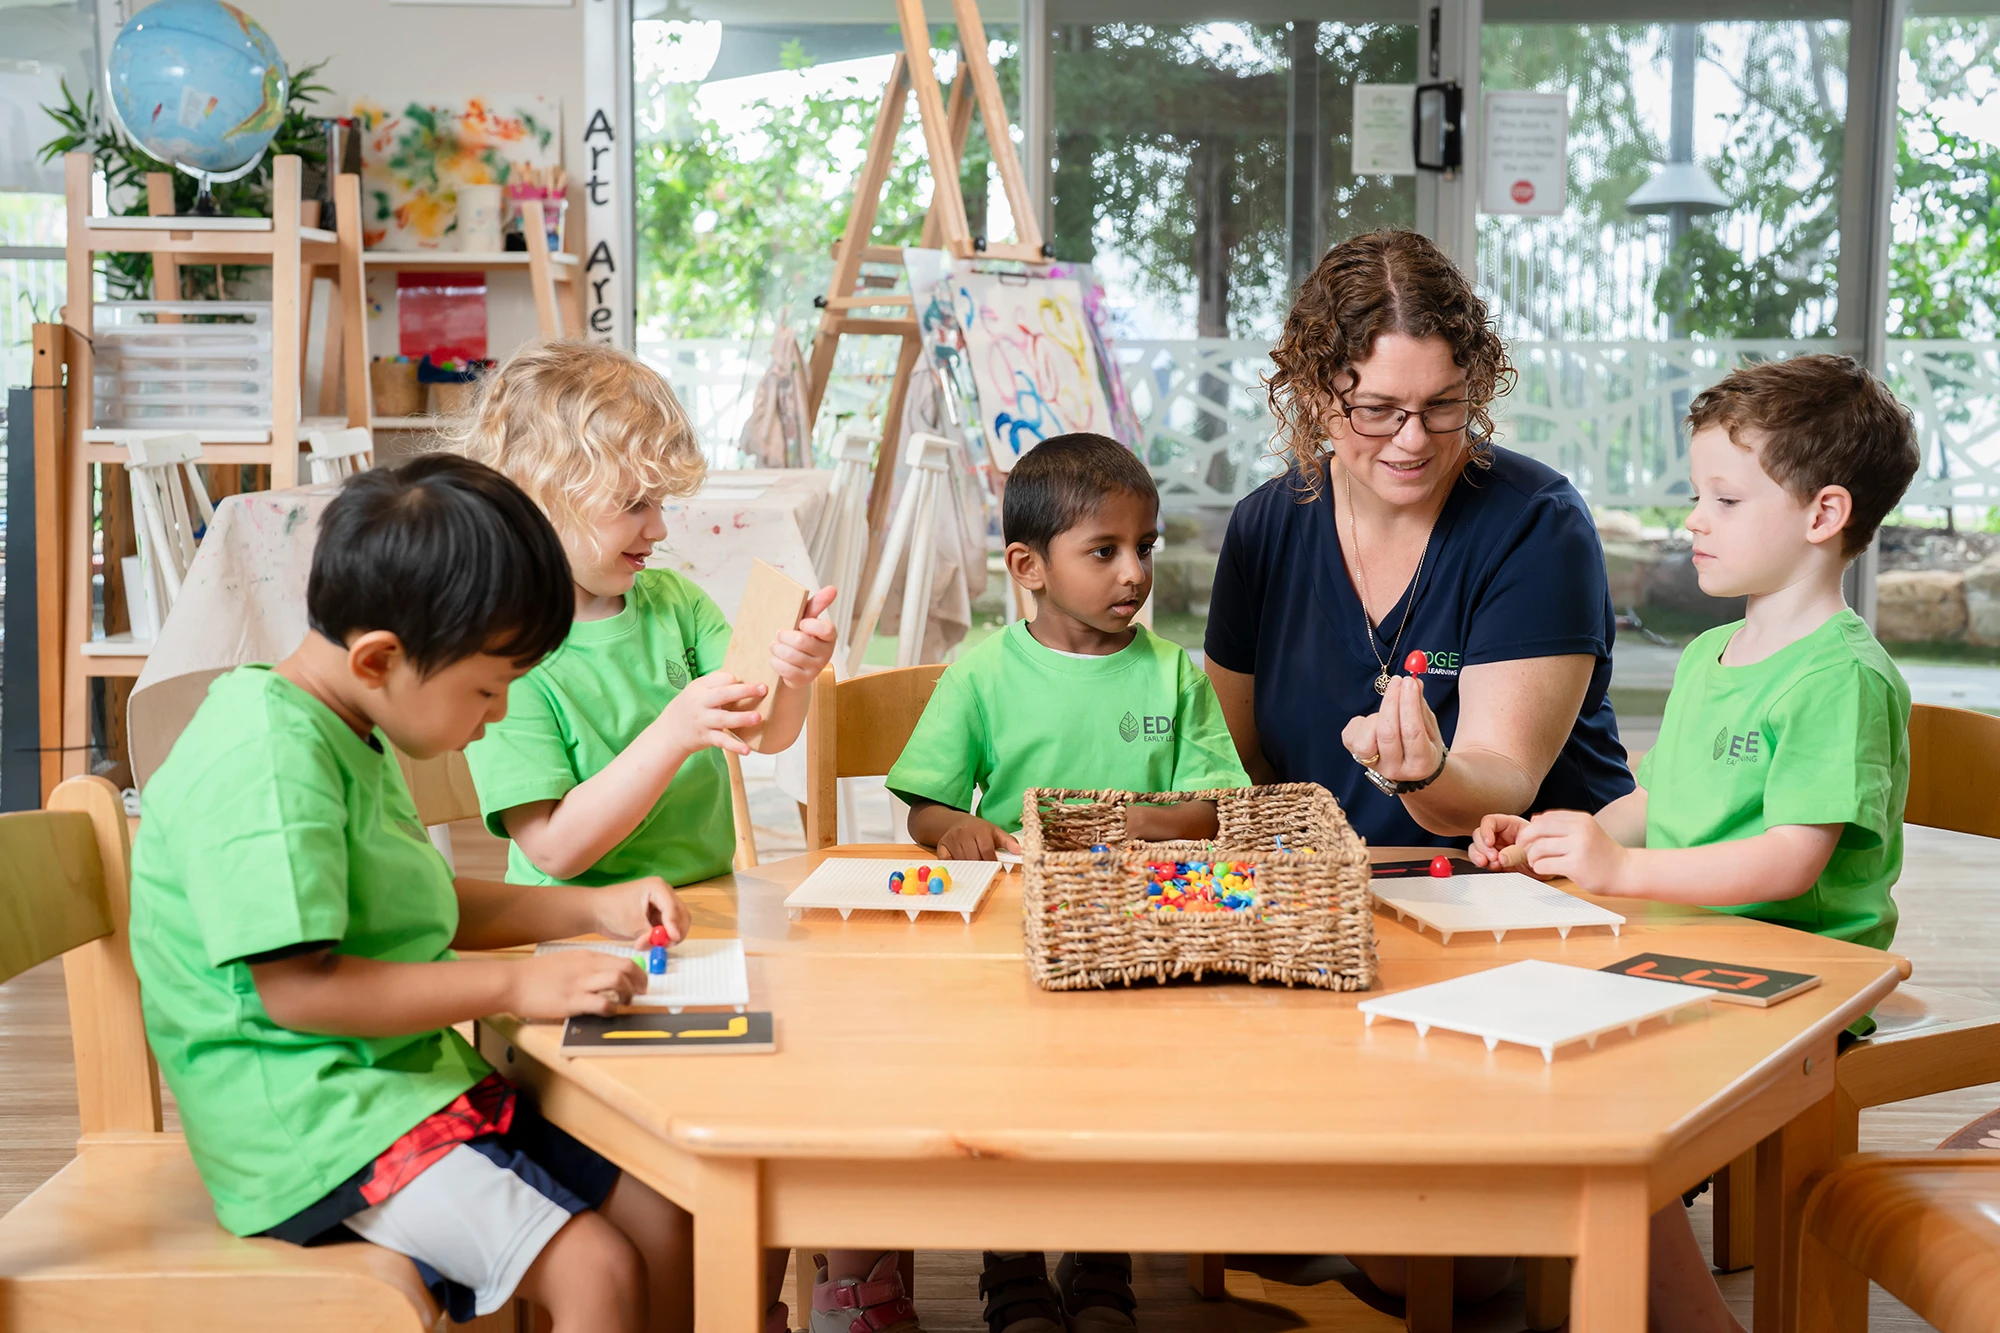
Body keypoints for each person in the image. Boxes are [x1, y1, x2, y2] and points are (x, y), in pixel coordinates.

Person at [128, 455, 708, 1333]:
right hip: (312, 1129)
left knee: (665, 1211)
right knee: (599, 1270)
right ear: (380, 658)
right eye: (488, 687)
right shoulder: (267, 757)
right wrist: (518, 985)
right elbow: (299, 989)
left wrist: (596, 907)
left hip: (398, 1085)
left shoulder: (345, 721)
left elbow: (422, 903)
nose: (500, 714)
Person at [1471, 354, 1919, 1330]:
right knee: (1511, 1031)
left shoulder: (1840, 677)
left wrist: (1623, 872)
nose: (1691, 519)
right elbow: (1659, 797)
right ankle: (1573, 1264)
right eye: (1694, 493)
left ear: (1820, 514)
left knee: (1601, 1104)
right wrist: (1573, 835)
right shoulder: (1715, 653)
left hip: (1796, 978)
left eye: (1722, 496)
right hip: (1684, 952)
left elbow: (1789, 860)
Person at [885, 432, 1251, 1333]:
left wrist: (1114, 822)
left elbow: (1214, 811)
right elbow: (925, 809)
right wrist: (957, 827)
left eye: (1146, 548)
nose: (1134, 572)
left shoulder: (1173, 672)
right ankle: (1007, 1262)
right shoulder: (981, 673)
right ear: (1028, 566)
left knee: (1115, 1095)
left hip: (1143, 929)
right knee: (1005, 1092)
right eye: (1104, 550)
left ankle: (1101, 1258)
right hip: (1013, 933)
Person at [1204, 230, 1633, 858]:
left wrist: (1426, 771)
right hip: (1339, 898)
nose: (1413, 440)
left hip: (1528, 894)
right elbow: (1236, 761)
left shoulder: (1539, 526)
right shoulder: (1264, 528)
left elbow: (1503, 781)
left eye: (1441, 405)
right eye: (1377, 410)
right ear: (1316, 395)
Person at [456, 341, 839, 894]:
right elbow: (555, 851)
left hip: (705, 897)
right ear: (538, 501)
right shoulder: (502, 654)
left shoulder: (676, 603)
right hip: (576, 923)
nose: (658, 528)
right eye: (634, 503)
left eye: (660, 502)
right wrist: (674, 733)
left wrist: (794, 676)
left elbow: (764, 732)